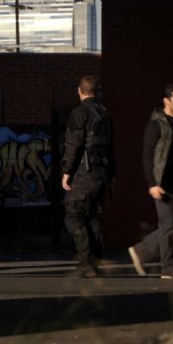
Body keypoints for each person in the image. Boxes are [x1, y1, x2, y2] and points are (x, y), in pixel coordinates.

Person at [128, 83, 173, 279]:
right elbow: (147, 155)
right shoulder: (156, 123)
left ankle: (141, 251)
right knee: (167, 225)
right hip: (162, 182)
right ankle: (167, 267)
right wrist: (152, 183)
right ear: (167, 101)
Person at [61, 76, 115, 278]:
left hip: (84, 174)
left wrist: (66, 172)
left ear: (80, 91)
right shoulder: (104, 114)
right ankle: (96, 260)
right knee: (92, 216)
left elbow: (73, 144)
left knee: (74, 217)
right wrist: (112, 175)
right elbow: (111, 147)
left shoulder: (79, 112)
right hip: (102, 174)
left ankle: (86, 263)